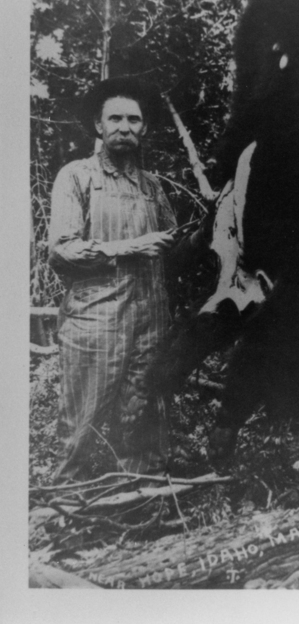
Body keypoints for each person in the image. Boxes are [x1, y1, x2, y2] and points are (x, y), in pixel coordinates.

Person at [49, 77, 177, 483]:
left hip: (150, 322)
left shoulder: (152, 186)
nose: (124, 127)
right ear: (98, 126)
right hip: (95, 321)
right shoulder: (77, 176)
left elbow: (173, 247)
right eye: (115, 118)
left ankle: (143, 499)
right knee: (79, 427)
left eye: (133, 120)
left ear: (144, 128)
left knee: (143, 420)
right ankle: (67, 502)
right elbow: (62, 250)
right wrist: (131, 247)